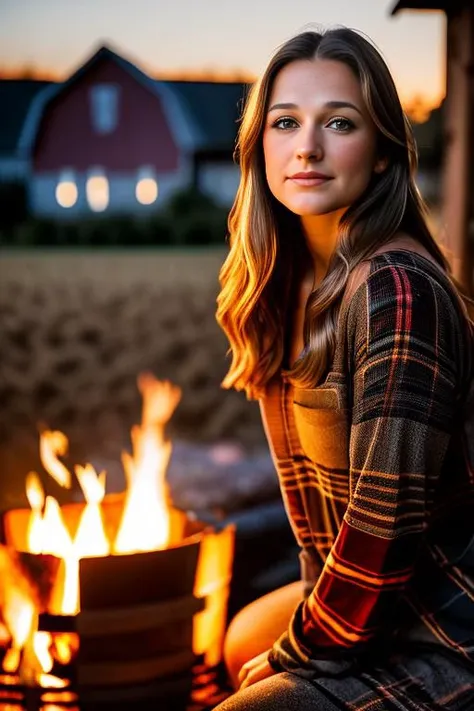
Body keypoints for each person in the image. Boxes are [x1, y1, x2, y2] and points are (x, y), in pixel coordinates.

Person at [214, 26, 474, 711]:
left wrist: (296, 656)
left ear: (385, 153)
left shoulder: (398, 288)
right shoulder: (284, 289)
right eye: (285, 122)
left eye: (339, 122)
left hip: (447, 623)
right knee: (239, 640)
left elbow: (383, 535)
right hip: (367, 590)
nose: (307, 146)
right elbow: (317, 528)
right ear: (259, 148)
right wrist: (287, 647)